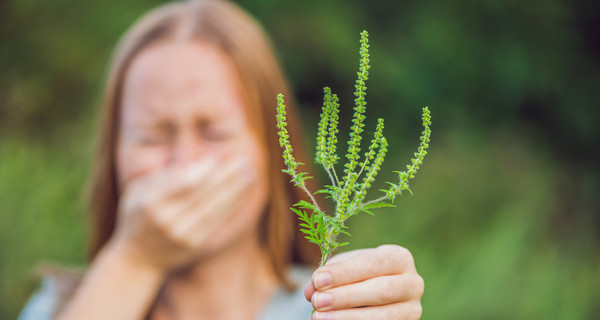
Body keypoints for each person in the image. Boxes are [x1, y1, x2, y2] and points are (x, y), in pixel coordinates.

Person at [19, 1, 424, 319]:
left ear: (274, 151)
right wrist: (135, 260)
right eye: (153, 136)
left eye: (214, 131)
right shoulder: (59, 308)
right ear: (114, 157)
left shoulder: (332, 304)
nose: (185, 164)